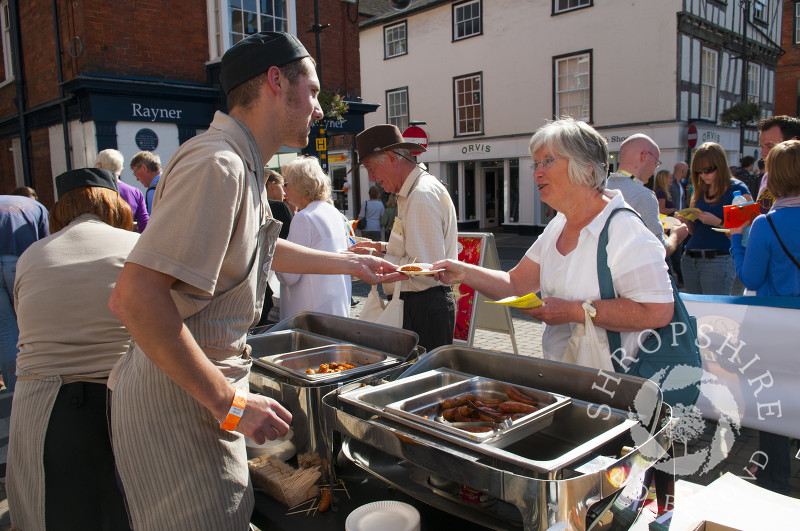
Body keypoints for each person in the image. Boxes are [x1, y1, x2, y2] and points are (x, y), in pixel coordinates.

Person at [107, 32, 400, 530]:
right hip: (180, 405)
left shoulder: (241, 163)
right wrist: (231, 403)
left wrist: (351, 265)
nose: (319, 109)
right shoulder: (217, 164)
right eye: (312, 91)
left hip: (198, 395)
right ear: (274, 81)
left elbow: (258, 247)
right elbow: (135, 299)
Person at [431, 117, 673, 367]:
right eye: (535, 163)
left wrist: (574, 312)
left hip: (614, 388)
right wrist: (463, 271)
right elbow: (515, 284)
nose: (537, 172)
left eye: (548, 161)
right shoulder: (558, 225)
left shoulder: (624, 229)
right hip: (566, 378)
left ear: (587, 167)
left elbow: (658, 311)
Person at [6, 168, 137, 530]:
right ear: (116, 206)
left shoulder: (31, 255)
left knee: (53, 513)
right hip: (122, 401)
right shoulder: (138, 246)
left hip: (42, 408)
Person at [350, 124, 458, 352]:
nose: (371, 178)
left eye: (371, 168)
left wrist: (377, 261)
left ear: (390, 157)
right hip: (422, 305)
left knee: (421, 382)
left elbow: (426, 269)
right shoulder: (413, 192)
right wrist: (378, 248)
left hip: (424, 307)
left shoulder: (420, 195)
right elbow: (416, 249)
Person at [731, 139, 800, 494]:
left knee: (773, 406)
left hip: (777, 330)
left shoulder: (765, 225)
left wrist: (734, 241)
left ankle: (774, 482)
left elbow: (751, 279)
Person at [277, 156, 351, 319]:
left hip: (310, 312)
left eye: (286, 184)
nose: (284, 190)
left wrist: (273, 260)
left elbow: (289, 275)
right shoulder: (333, 212)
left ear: (299, 185)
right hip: (335, 306)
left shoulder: (304, 217)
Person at [677, 142, 751, 295]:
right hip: (690, 259)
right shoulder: (699, 189)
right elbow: (697, 230)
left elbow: (746, 232)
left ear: (720, 165)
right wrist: (688, 222)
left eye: (708, 170)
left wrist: (717, 222)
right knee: (696, 314)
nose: (703, 175)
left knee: (715, 315)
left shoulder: (738, 189)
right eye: (698, 171)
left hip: (719, 259)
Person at [605, 134, 688, 256]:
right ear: (644, 156)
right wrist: (676, 235)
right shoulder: (644, 195)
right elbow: (659, 250)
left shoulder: (600, 187)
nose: (654, 171)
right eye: (656, 163)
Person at [0, 194, 48, 392]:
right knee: (33, 322)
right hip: (22, 261)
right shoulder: (36, 206)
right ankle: (39, 379)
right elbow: (46, 244)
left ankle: (15, 389)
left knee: (5, 329)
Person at [257, 169, 293, 326]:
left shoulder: (252, 205)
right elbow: (290, 244)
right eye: (282, 185)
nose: (284, 191)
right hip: (266, 284)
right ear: (272, 185)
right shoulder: (280, 208)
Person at [96, 148, 149, 231]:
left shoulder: (94, 192)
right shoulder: (135, 193)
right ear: (121, 169)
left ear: (99, 166)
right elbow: (145, 224)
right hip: (128, 240)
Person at [755, 116, 800, 214]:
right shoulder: (767, 177)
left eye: (770, 146)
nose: (763, 153)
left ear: (792, 143)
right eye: (762, 147)